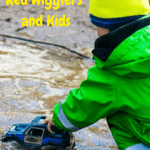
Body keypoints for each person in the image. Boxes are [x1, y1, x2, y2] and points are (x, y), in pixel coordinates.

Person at [44, 0, 150, 149]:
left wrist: (56, 119)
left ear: (105, 28)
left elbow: (85, 103)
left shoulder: (114, 70)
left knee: (117, 114)